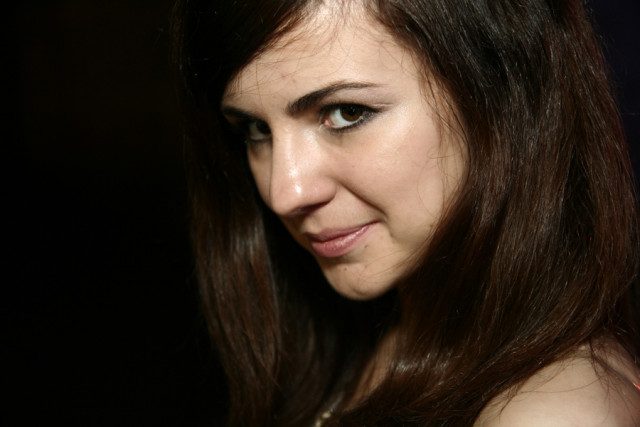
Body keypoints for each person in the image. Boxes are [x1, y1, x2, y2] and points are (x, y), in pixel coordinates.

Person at [172, 0, 640, 425]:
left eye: (347, 112)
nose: (284, 192)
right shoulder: (366, 336)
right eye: (255, 129)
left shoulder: (554, 412)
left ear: (501, 98)